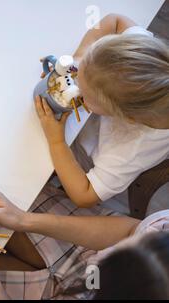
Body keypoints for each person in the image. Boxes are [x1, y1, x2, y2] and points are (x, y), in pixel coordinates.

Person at [0, 186, 169, 300]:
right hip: (85, 251)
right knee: (15, 195)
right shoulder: (162, 233)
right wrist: (23, 219)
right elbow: (129, 230)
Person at [36, 14, 169, 208]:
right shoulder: (142, 57)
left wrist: (57, 142)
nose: (77, 86)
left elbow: (84, 195)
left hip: (78, 157)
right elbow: (115, 20)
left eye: (85, 94)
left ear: (126, 117)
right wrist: (80, 59)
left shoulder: (132, 150)